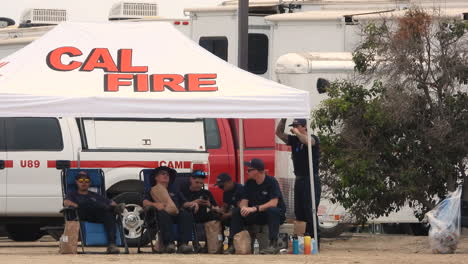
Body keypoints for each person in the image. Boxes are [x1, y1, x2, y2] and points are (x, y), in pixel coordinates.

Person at [276, 118, 321, 244]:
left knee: (310, 210)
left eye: (298, 126)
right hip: (299, 179)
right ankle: (302, 239)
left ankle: (314, 240)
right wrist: (283, 119)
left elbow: (307, 142)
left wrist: (296, 132)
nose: (295, 127)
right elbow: (279, 133)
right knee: (299, 211)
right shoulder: (295, 140)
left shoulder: (313, 138)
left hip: (311, 180)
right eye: (294, 126)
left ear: (305, 126)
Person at [230, 158, 286, 254]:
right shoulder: (249, 183)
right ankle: (232, 244)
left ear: (257, 171)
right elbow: (244, 200)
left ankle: (273, 244)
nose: (247, 171)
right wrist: (243, 208)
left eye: (249, 170)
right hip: (257, 214)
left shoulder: (271, 182)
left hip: (272, 215)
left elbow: (274, 202)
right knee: (236, 211)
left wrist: (254, 208)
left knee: (273, 210)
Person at [63, 171, 123, 254]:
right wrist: (75, 205)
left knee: (109, 215)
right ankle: (109, 209)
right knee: (90, 204)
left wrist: (115, 206)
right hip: (82, 214)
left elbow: (110, 202)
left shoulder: (94, 195)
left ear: (90, 183)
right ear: (76, 182)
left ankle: (112, 245)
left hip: (97, 214)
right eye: (81, 180)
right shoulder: (73, 194)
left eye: (86, 181)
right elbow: (66, 202)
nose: (84, 183)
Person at [142, 166, 193, 254]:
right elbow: (145, 202)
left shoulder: (175, 190)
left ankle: (183, 245)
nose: (166, 176)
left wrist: (192, 203)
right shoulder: (152, 190)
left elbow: (184, 202)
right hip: (158, 216)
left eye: (168, 175)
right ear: (156, 177)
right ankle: (169, 244)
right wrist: (155, 204)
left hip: (175, 213)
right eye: (163, 174)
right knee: (163, 214)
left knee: (185, 214)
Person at [180, 170, 221, 252]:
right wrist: (195, 202)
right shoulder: (184, 192)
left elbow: (217, 208)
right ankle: (187, 244)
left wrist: (209, 205)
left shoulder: (206, 193)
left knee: (216, 217)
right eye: (197, 182)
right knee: (186, 215)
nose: (199, 185)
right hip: (188, 215)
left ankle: (212, 245)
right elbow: (180, 205)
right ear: (191, 179)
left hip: (203, 215)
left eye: (201, 183)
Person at [214, 172, 244, 254]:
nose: (221, 188)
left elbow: (241, 207)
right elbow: (225, 205)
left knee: (235, 215)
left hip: (242, 215)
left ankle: (232, 244)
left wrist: (227, 215)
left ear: (229, 182)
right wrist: (220, 211)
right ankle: (216, 244)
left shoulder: (240, 189)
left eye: (222, 186)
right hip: (231, 214)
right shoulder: (226, 191)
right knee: (215, 216)